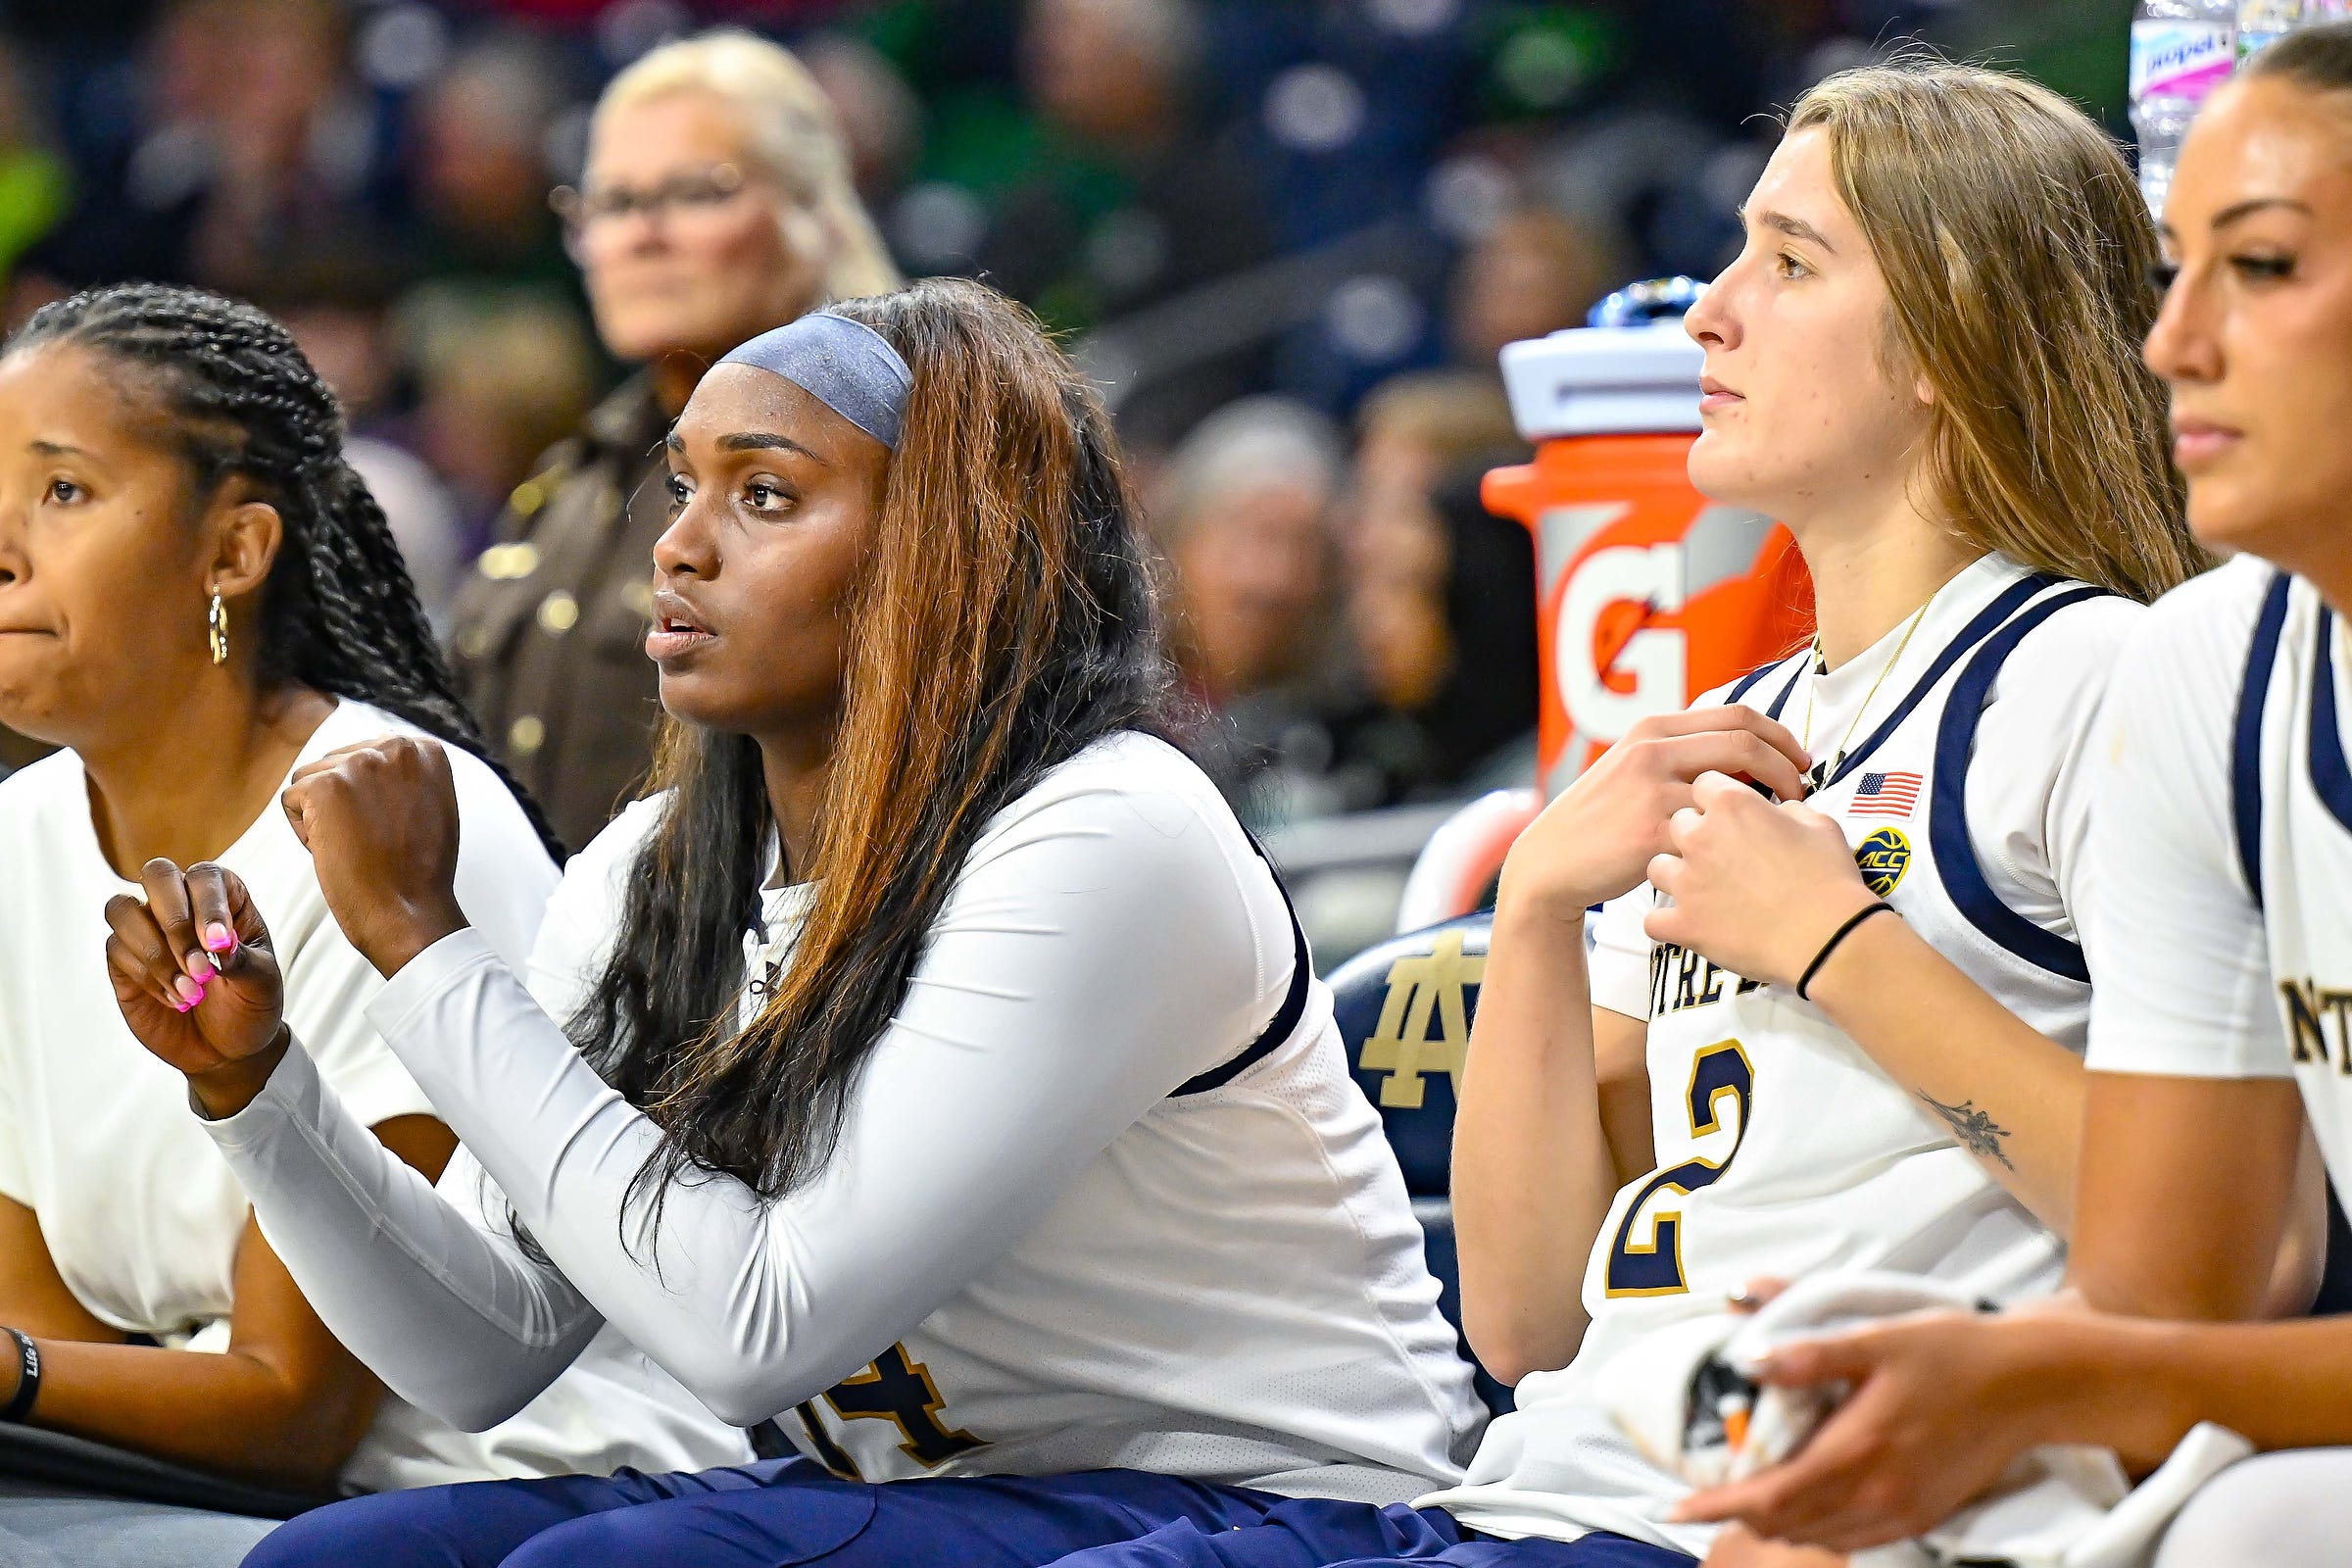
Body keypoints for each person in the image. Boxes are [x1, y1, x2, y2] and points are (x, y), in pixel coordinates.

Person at [1018, 55, 2207, 1568]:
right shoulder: (1745, 724)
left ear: (1949, 336)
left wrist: (1836, 944)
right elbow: (1526, 1322)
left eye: (1788, 262)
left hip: (1789, 1518)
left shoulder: (2090, 673)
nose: (1710, 309)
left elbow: (2190, 1238)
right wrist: (1531, 911)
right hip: (1540, 1487)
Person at [112, 276, 1485, 1568]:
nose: (680, 546)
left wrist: (429, 951)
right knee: (339, 1558)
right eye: (685, 486)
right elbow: (488, 1353)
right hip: (944, 1497)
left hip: (1279, 1506)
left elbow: (758, 1332)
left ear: (947, 554)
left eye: (764, 496)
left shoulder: (1108, 833)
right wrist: (260, 1093)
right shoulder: (661, 864)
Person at [1646, 25, 2352, 1566]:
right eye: (2180, 272)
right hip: (1605, 1462)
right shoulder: (2209, 664)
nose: (2172, 342)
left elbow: (2221, 1292)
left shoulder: (2081, 669)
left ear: (1954, 340)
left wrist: (2011, 1388)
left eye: (2271, 267)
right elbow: (2175, 1293)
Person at [0, 285, 752, 1567]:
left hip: (513, 1499)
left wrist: (22, 1375)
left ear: (232, 554)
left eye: (61, 494)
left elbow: (302, 1404)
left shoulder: (390, 823)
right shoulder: (18, 841)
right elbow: (51, 1341)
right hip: (200, 1489)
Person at [447, 28, 900, 854]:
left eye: (695, 192)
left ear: (818, 213)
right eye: (613, 203)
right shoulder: (569, 482)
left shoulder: (903, 464)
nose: (642, 234)